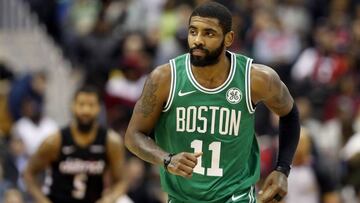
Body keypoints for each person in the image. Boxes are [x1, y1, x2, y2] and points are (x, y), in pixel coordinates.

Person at [125, 2, 300, 203]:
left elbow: (289, 113)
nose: (197, 40)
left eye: (208, 33)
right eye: (193, 32)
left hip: (237, 196)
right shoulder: (164, 78)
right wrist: (167, 159)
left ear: (229, 38)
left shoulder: (256, 78)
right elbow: (133, 136)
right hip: (182, 198)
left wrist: (282, 169)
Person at [24, 86, 127, 203]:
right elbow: (28, 174)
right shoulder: (55, 141)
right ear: (72, 106)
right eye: (81, 104)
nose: (86, 111)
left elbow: (121, 181)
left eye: (91, 105)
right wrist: (42, 200)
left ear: (99, 108)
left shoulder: (111, 141)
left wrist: (109, 199)